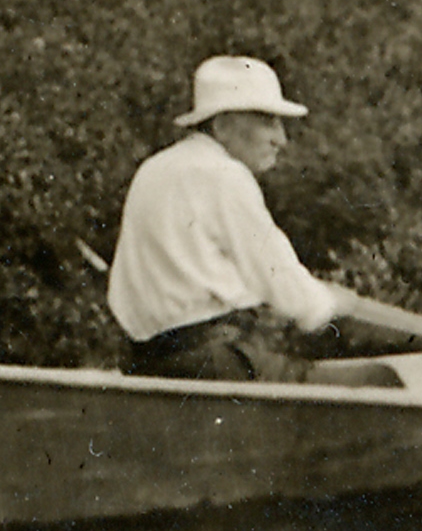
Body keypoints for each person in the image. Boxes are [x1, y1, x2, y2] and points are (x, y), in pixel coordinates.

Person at [107, 56, 350, 383]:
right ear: (221, 126)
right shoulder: (224, 175)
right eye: (267, 121)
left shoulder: (153, 169)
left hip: (145, 365)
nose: (281, 139)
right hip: (213, 365)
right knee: (362, 388)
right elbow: (283, 284)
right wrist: (330, 305)